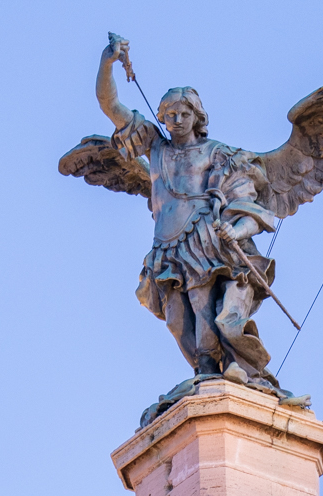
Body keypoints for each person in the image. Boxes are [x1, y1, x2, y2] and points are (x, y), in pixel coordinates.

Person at [98, 38, 280, 388]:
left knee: (202, 306)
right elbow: (109, 103)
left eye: (184, 114)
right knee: (175, 318)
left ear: (198, 117)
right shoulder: (155, 148)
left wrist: (237, 233)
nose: (176, 120)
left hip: (203, 239)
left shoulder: (218, 154)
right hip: (166, 246)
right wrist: (107, 64)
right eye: (169, 115)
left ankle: (211, 368)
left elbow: (246, 202)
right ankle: (204, 368)